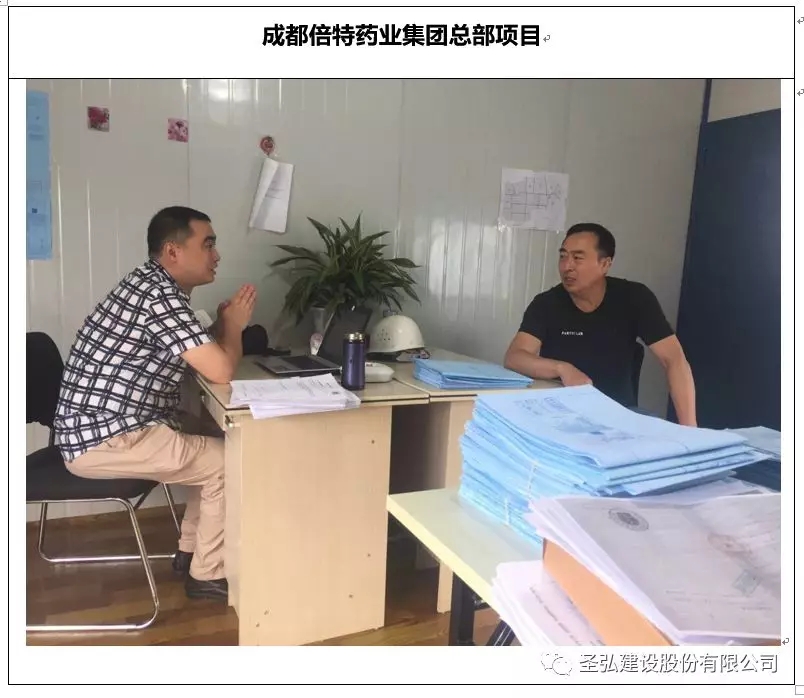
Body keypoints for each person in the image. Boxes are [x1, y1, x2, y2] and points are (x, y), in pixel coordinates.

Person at [53, 206, 257, 601]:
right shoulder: (158, 295)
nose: (217, 256)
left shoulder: (152, 286)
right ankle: (206, 575)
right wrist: (233, 327)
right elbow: (221, 370)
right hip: (106, 438)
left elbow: (197, 351)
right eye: (208, 245)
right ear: (173, 251)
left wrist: (221, 327)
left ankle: (191, 551)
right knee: (228, 462)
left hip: (111, 427)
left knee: (220, 442)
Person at [504, 222, 697, 426]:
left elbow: (674, 360)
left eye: (577, 258)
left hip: (619, 413)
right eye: (563, 256)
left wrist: (691, 428)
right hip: (561, 414)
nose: (567, 266)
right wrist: (561, 368)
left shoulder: (635, 298)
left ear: (605, 264)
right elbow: (515, 357)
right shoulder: (546, 303)